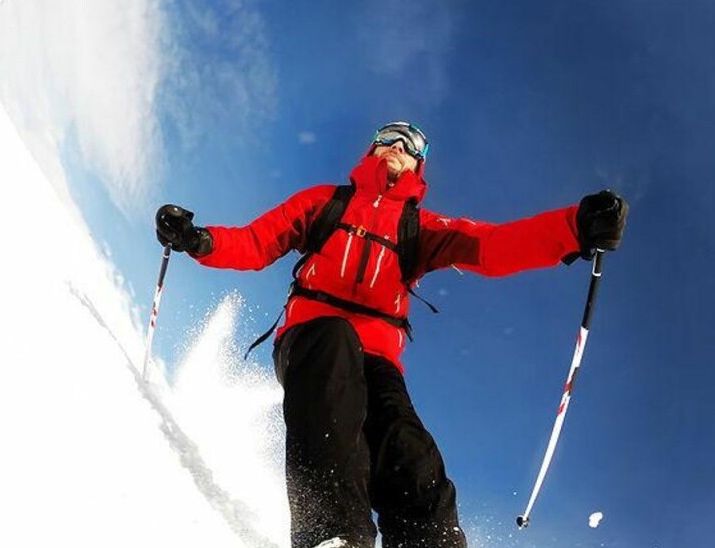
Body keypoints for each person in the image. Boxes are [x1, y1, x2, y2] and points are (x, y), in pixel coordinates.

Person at [154, 121, 628, 548]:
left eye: (411, 143)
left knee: (404, 443)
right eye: (388, 137)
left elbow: (491, 245)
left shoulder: (418, 227)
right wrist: (199, 239)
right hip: (312, 339)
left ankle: (430, 541)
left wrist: (574, 228)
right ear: (372, 148)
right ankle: (334, 533)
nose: (397, 145)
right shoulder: (326, 201)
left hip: (379, 358)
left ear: (419, 163)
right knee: (335, 373)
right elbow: (256, 242)